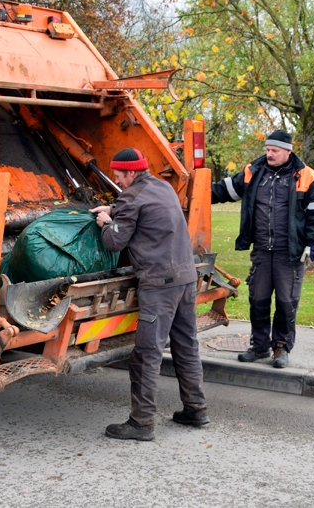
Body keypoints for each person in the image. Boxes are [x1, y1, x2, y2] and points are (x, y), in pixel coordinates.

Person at [90, 148, 207, 441]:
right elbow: (145, 209)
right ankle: (196, 408)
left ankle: (141, 423)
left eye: (118, 175)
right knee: (185, 345)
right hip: (185, 277)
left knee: (146, 353)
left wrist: (105, 221)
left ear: (131, 172)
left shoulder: (130, 197)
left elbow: (115, 242)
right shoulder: (162, 187)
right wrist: (114, 210)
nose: (116, 179)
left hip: (160, 284)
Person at [211, 130, 314, 368]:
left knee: (286, 302)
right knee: (258, 299)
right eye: (267, 149)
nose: (270, 154)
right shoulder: (253, 173)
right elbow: (224, 190)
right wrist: (195, 190)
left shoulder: (307, 177)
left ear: (288, 151)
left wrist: (313, 243)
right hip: (263, 251)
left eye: (275, 150)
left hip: (291, 253)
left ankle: (281, 348)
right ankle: (259, 347)